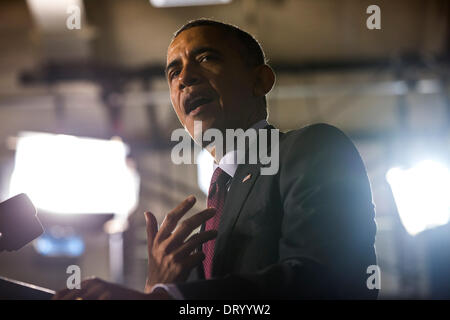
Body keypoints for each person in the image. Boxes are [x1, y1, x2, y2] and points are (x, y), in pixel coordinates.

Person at [53, 19, 378, 300]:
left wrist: (168, 297)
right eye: (173, 72)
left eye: (206, 57)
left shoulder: (311, 148)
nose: (185, 78)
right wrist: (155, 285)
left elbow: (327, 279)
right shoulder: (207, 224)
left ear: (260, 80)